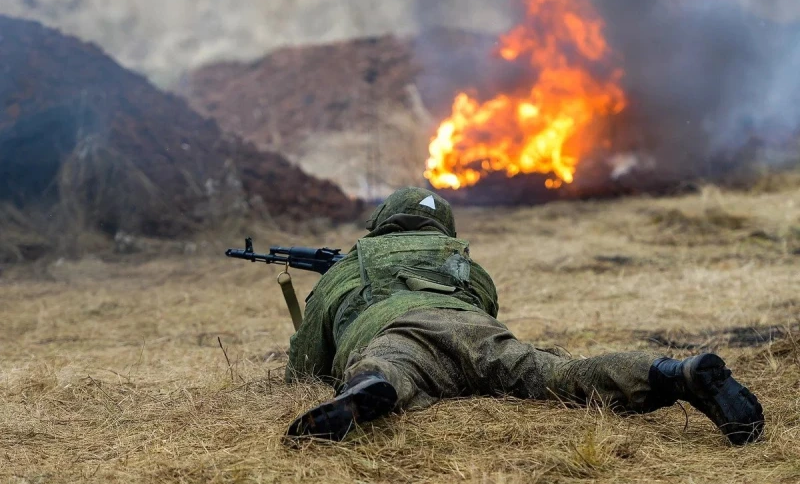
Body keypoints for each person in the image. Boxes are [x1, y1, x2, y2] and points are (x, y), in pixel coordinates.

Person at [284, 187, 764, 445]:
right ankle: (674, 374)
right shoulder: (468, 265)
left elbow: (307, 357)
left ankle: (370, 388)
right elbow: (484, 307)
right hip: (481, 335)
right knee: (561, 373)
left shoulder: (352, 264)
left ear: (383, 222)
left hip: (398, 331)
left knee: (390, 364)